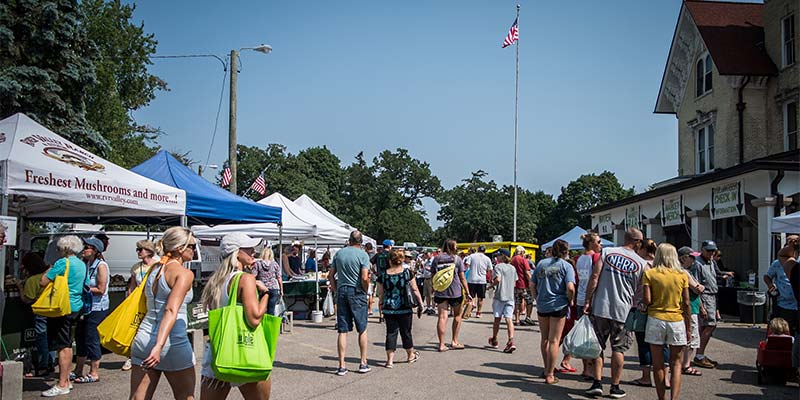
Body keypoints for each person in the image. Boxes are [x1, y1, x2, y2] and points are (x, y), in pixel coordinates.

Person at [200, 233, 271, 400]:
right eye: (249, 248)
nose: (254, 251)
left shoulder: (216, 281)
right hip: (245, 350)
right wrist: (266, 293)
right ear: (237, 252)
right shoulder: (245, 279)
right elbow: (254, 319)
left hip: (219, 350)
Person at [129, 227, 196, 400]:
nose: (195, 250)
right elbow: (171, 309)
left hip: (143, 337)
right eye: (192, 246)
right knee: (186, 396)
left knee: (138, 397)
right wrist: (158, 346)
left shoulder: (153, 269)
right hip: (171, 341)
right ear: (180, 248)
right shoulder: (184, 273)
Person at [583, 228, 646, 399]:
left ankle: (597, 383)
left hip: (601, 307)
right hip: (623, 311)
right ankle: (615, 386)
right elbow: (641, 292)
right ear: (638, 242)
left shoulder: (607, 252)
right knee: (618, 349)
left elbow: (594, 277)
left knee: (598, 346)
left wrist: (588, 300)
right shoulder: (642, 263)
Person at [39, 235, 87, 397]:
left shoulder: (62, 263)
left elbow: (43, 281)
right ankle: (66, 380)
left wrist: (49, 269)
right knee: (67, 343)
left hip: (62, 307)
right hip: (76, 306)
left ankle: (62, 383)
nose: (58, 251)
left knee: (63, 346)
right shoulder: (81, 264)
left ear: (65, 249)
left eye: (59, 248)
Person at [642, 243, 690, 400]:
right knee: (676, 363)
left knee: (658, 364)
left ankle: (661, 398)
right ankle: (674, 398)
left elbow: (647, 300)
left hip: (656, 319)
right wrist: (688, 327)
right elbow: (687, 303)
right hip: (676, 319)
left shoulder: (650, 274)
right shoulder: (681, 275)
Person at [532, 239, 576, 385]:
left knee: (544, 338)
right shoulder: (566, 266)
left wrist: (536, 298)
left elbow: (532, 284)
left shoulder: (541, 264)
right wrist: (570, 300)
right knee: (554, 340)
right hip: (558, 305)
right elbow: (570, 287)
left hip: (542, 305)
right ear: (566, 251)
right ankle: (550, 374)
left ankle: (546, 368)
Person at [329, 230, 372, 376]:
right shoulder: (363, 255)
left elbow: (330, 275)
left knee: (343, 330)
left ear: (349, 239)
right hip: (357, 291)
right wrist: (366, 290)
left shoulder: (339, 254)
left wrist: (335, 288)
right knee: (362, 328)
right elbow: (365, 277)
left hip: (342, 290)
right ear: (360, 241)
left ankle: (341, 365)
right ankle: (363, 362)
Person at [561, 232, 602, 378]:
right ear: (591, 243)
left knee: (584, 334)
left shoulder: (578, 259)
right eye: (598, 241)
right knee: (593, 336)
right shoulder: (596, 258)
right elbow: (596, 278)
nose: (600, 244)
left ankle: (586, 368)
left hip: (579, 299)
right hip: (591, 300)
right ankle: (592, 369)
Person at [376, 249, 424, 368]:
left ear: (389, 260)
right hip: (404, 307)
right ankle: (410, 355)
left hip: (389, 307)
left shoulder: (383, 275)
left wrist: (381, 305)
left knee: (391, 333)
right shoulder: (407, 273)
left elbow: (380, 293)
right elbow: (414, 289)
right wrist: (420, 303)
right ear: (402, 260)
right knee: (406, 332)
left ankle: (390, 361)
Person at [73, 237, 110, 384]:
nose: (84, 249)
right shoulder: (85, 264)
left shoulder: (101, 266)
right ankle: (78, 369)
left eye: (87, 247)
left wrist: (83, 289)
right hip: (84, 307)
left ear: (95, 250)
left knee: (91, 338)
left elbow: (101, 289)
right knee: (80, 337)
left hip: (97, 307)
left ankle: (94, 372)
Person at [123, 240, 159, 371]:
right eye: (137, 250)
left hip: (153, 302)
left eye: (140, 249)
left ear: (148, 251)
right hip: (139, 302)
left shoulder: (157, 264)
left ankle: (153, 353)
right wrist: (128, 301)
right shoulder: (136, 268)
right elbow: (132, 286)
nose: (138, 252)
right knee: (135, 327)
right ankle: (131, 357)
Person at [431, 239, 471, 352]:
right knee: (457, 316)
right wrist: (468, 292)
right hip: (455, 291)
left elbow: (433, 275)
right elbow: (462, 277)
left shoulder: (437, 258)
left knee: (442, 317)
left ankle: (441, 344)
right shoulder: (457, 259)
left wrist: (434, 288)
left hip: (441, 291)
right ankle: (454, 341)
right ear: (453, 247)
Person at [17, 253, 52, 377]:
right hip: (53, 309)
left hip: (40, 311)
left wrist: (21, 287)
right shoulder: (50, 275)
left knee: (42, 338)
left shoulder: (32, 281)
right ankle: (50, 363)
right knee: (50, 338)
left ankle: (43, 365)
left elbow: (27, 299)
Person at [630, 238, 659, 387]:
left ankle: (646, 377)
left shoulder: (642, 266)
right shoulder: (662, 266)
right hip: (660, 309)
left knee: (643, 343)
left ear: (642, 250)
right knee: (661, 344)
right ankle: (664, 378)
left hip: (642, 306)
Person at [690, 240, 721, 369]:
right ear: (702, 250)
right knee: (709, 325)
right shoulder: (697, 264)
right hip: (705, 296)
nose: (711, 253)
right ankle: (699, 356)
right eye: (708, 250)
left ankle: (700, 354)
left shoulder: (712, 262)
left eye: (713, 250)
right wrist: (701, 306)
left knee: (707, 327)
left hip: (712, 296)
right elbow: (696, 285)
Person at [677, 247, 706, 378]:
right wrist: (701, 286)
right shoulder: (684, 272)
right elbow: (697, 289)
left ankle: (681, 363)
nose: (694, 260)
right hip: (688, 310)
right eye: (691, 257)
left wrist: (702, 308)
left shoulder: (687, 271)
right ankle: (686, 365)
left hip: (692, 307)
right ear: (683, 258)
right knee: (691, 337)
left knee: (685, 337)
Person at [489, 249, 517, 353]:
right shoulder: (512, 268)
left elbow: (498, 279)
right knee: (509, 319)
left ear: (503, 256)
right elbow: (514, 283)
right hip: (510, 296)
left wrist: (490, 286)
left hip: (500, 296)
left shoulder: (498, 267)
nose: (497, 257)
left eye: (498, 255)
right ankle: (511, 340)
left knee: (497, 318)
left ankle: (495, 339)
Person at [764, 250, 798, 335]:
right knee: (783, 331)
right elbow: (767, 276)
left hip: (797, 304)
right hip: (783, 304)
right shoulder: (777, 263)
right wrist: (770, 285)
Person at [252, 247, 284, 316]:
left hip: (262, 288)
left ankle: (262, 323)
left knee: (261, 309)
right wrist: (281, 289)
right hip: (274, 287)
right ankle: (270, 324)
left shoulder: (258, 264)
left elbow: (253, 276)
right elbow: (279, 277)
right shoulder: (275, 264)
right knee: (271, 310)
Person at [466, 245, 492, 318]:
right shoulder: (487, 258)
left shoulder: (472, 256)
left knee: (471, 297)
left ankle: (469, 311)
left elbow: (467, 265)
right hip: (482, 280)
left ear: (478, 250)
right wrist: (490, 279)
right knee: (480, 298)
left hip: (472, 279)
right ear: (485, 251)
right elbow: (490, 270)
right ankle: (478, 312)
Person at [510, 246, 533, 326]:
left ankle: (517, 319)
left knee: (517, 302)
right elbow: (527, 272)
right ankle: (528, 317)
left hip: (515, 284)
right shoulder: (523, 260)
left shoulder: (512, 260)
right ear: (522, 252)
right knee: (529, 301)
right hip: (524, 284)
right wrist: (531, 283)